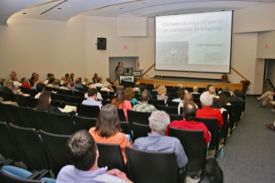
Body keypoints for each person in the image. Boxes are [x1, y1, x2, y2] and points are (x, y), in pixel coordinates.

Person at [56, 130, 132, 183]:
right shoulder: (116, 181)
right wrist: (124, 179)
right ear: (97, 153)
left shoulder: (64, 172)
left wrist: (105, 174)